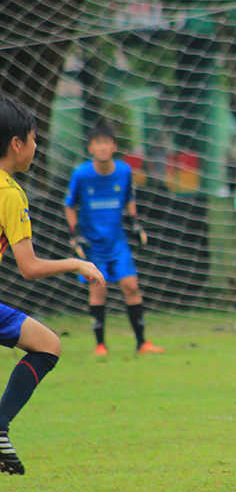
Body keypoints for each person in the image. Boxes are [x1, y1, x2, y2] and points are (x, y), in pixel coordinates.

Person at [0, 96, 105, 475]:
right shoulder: (10, 193)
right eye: (34, 138)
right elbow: (28, 267)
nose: (36, 146)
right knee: (48, 347)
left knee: (47, 343)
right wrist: (77, 262)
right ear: (16, 144)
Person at [64, 124, 165, 356]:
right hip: (93, 244)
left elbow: (129, 198)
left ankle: (142, 343)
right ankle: (101, 345)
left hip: (118, 241)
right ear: (90, 147)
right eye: (98, 142)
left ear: (114, 146)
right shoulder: (81, 174)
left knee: (131, 286)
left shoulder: (124, 171)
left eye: (107, 142)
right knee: (98, 290)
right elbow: (70, 205)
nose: (103, 147)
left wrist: (135, 223)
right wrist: (74, 233)